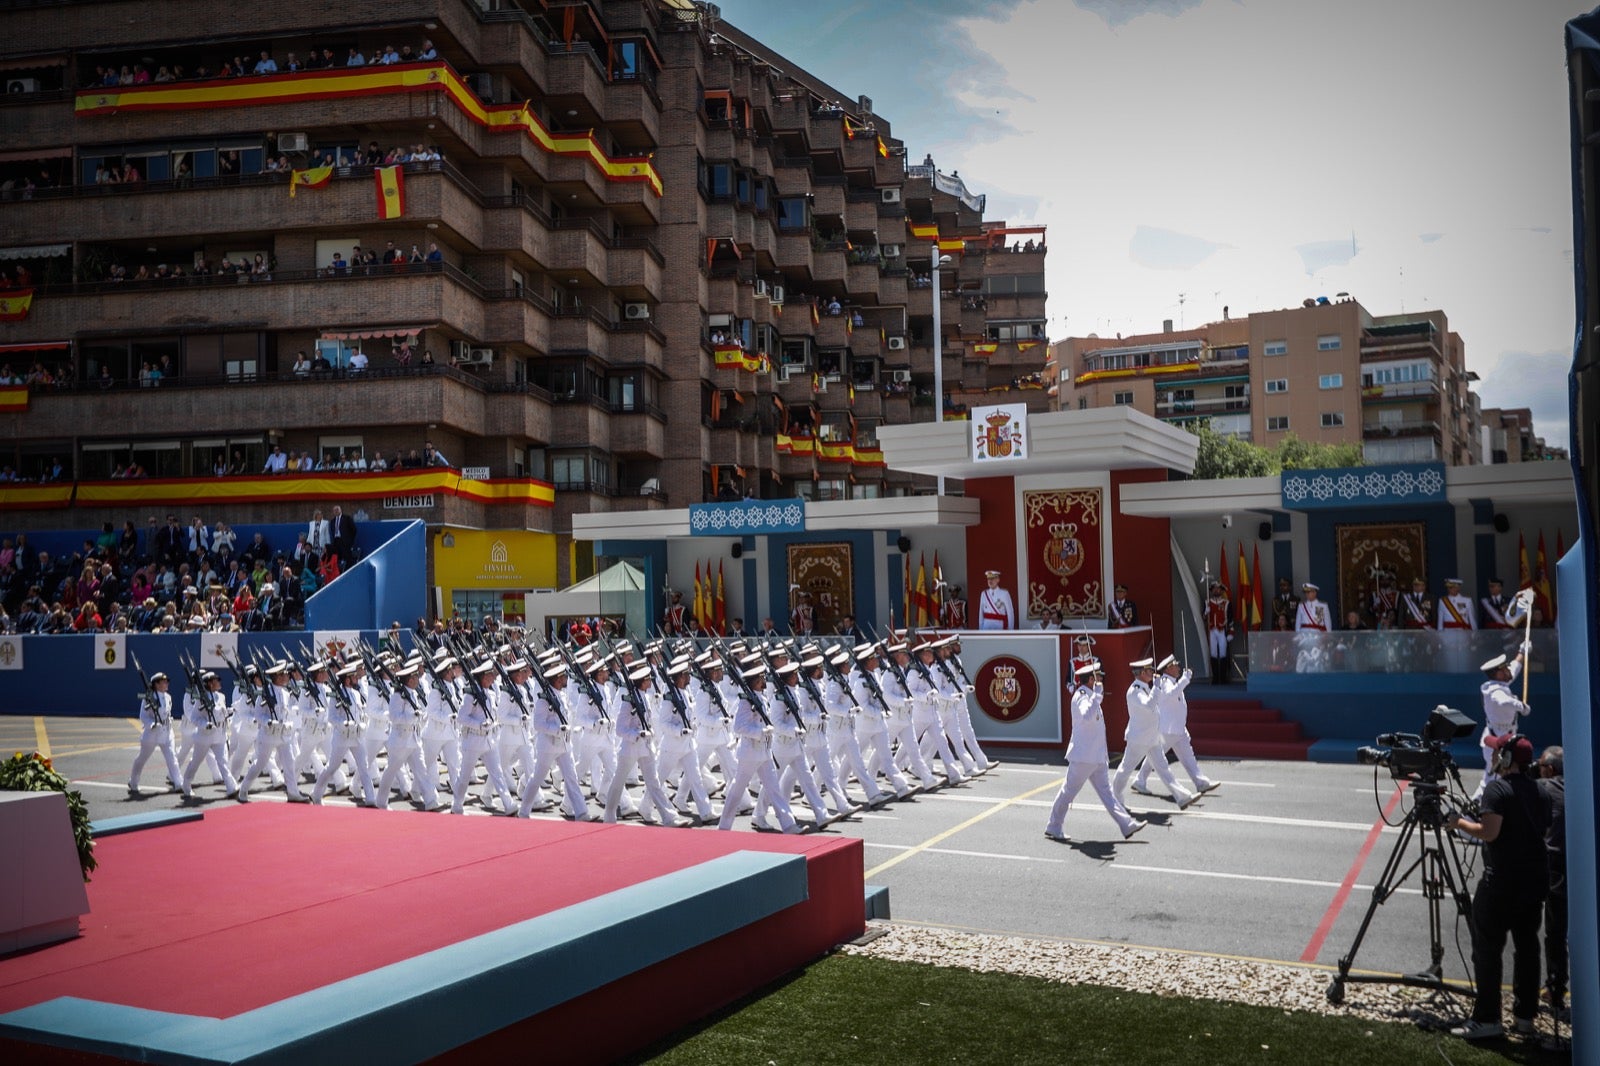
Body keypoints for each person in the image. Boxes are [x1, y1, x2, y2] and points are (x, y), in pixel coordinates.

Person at [1446, 733, 1552, 1041]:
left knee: (1488, 950)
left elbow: (1489, 832)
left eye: (1497, 754)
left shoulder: (1497, 789)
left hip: (1502, 882)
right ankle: (1524, 1018)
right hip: (1534, 881)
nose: (1493, 758)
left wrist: (1458, 822)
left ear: (1506, 759)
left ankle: (1488, 1018)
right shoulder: (1541, 791)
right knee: (1527, 947)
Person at [1044, 661, 1144, 842]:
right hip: (1083, 757)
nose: (1101, 680)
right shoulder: (1082, 696)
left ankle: (1126, 824)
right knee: (1068, 792)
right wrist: (1096, 697)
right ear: (1091, 679)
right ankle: (1053, 825)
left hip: (1096, 756)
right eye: (1099, 677)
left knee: (1107, 793)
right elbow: (1086, 716)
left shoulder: (1091, 695)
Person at [1112, 658, 1196, 809]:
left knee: (1164, 768)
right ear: (1142, 673)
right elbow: (1149, 705)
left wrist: (1155, 689)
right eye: (1149, 670)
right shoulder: (1135, 691)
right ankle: (1115, 798)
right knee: (1126, 769)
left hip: (1151, 737)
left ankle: (1182, 797)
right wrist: (1156, 689)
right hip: (1138, 739)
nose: (1153, 672)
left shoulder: (1145, 688)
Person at [1133, 654, 1218, 797]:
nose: (1178, 667)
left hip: (1178, 728)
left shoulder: (1173, 681)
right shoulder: (1166, 681)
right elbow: (1171, 694)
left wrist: (1183, 680)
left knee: (1188, 756)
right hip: (1168, 729)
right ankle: (1140, 780)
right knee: (1156, 757)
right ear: (1168, 668)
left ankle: (1200, 782)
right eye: (1176, 665)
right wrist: (1185, 680)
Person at [1473, 646, 1531, 803]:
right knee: (1494, 782)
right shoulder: (1494, 692)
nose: (1508, 670)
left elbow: (1515, 667)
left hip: (1501, 737)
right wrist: (1520, 706)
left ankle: (1476, 810)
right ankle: (1478, 813)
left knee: (1491, 780)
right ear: (1498, 674)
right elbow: (1502, 701)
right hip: (1497, 742)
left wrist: (1523, 652)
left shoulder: (1499, 683)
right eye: (1505, 669)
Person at [1536, 745, 1567, 1021]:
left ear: (1550, 769)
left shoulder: (1544, 787)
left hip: (1554, 869)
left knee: (1554, 934)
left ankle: (1555, 991)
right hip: (1578, 866)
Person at [128, 672, 182, 795]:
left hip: (166, 733)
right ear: (156, 684)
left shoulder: (168, 697)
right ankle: (133, 782)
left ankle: (179, 783)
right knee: (142, 758)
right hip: (152, 734)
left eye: (167, 681)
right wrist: (151, 724)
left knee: (172, 758)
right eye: (164, 681)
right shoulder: (148, 697)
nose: (166, 683)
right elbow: (143, 716)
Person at [1204, 581, 1232, 684]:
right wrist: (1206, 612)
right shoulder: (1207, 602)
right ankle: (1215, 678)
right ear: (1211, 590)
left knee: (1223, 653)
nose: (1216, 590)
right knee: (1213, 653)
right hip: (1212, 630)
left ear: (1221, 591)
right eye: (1214, 588)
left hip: (1222, 630)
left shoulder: (1226, 603)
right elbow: (1204, 618)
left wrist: (1230, 633)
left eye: (1218, 589)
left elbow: (1230, 619)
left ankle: (1223, 678)